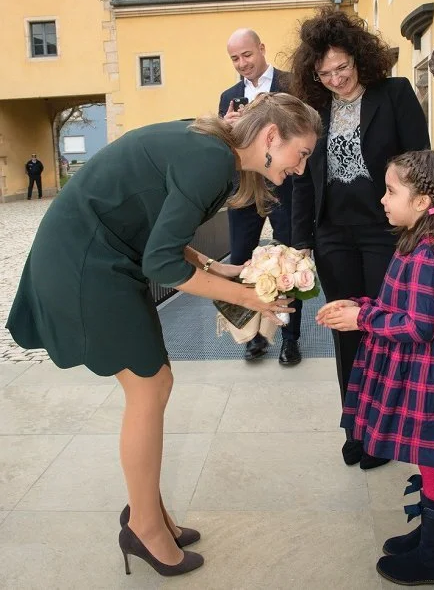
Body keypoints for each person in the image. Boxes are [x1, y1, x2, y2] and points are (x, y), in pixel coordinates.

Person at [6, 93, 321, 579]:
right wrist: (248, 298)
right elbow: (161, 264)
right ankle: (144, 528)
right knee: (148, 386)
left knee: (157, 382)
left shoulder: (215, 150)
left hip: (102, 256)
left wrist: (220, 267)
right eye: (301, 154)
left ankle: (148, 514)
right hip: (86, 262)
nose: (301, 168)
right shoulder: (213, 161)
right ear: (272, 137)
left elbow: (161, 228)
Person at [317, 149, 434, 587]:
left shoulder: (425, 255)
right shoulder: (415, 244)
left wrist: (362, 320)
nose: (382, 200)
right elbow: (399, 307)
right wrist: (360, 304)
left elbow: (420, 325)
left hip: (427, 371)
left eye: (390, 191)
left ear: (423, 201)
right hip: (425, 367)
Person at [288, 8, 430, 469]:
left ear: (359, 58)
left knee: (383, 331)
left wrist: (422, 229)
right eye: (324, 73)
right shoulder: (314, 112)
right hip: (333, 236)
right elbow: (303, 181)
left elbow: (420, 167)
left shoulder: (395, 95)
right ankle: (357, 427)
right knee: (346, 331)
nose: (335, 79)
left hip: (386, 233)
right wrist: (300, 241)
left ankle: (387, 427)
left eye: (342, 68)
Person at [219, 28, 303, 366]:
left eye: (246, 55)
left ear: (261, 49)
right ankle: (252, 336)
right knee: (241, 261)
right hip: (246, 190)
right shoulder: (228, 94)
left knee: (290, 264)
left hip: (286, 188)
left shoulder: (292, 84)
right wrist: (227, 126)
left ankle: (290, 339)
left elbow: (303, 132)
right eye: (235, 59)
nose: (242, 63)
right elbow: (226, 145)